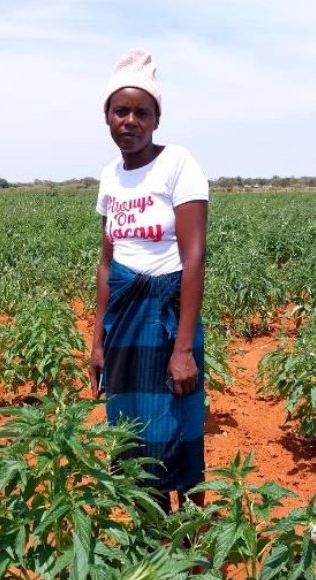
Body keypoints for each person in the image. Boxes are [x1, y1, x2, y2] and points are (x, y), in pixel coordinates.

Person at [89, 48, 209, 513]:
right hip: (123, 320)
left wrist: (182, 349)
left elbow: (194, 260)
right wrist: (98, 339)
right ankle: (148, 528)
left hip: (166, 315)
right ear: (108, 117)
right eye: (121, 111)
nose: (130, 121)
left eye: (142, 112)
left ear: (157, 119)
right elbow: (106, 263)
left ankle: (189, 534)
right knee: (128, 426)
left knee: (174, 422)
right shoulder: (110, 177)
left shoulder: (178, 164)